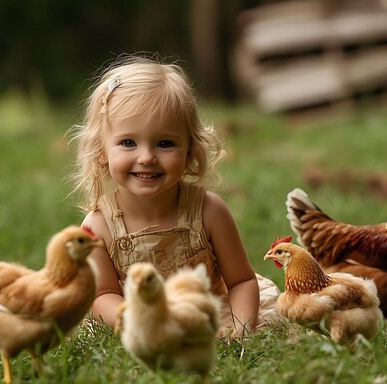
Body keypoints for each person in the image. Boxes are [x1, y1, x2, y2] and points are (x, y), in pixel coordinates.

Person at [70, 55, 281, 338]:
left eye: (165, 143)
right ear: (101, 150)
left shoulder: (208, 210)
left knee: (272, 317)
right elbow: (102, 296)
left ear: (190, 151)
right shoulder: (98, 226)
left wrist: (240, 331)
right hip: (138, 315)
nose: (147, 158)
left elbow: (241, 281)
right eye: (128, 143)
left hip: (208, 308)